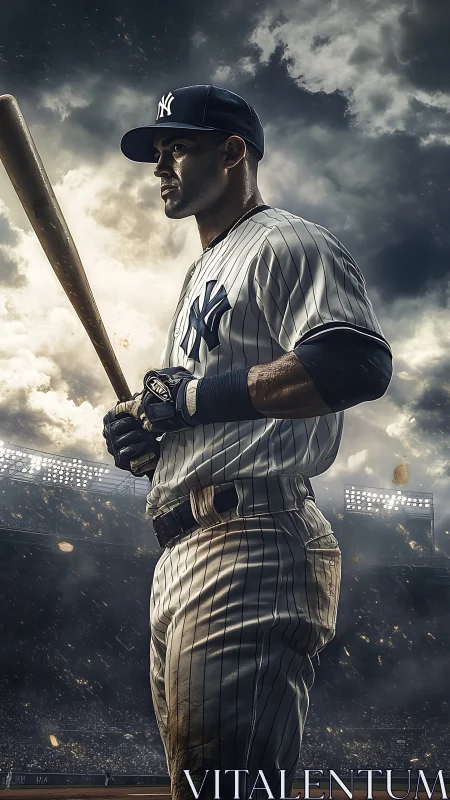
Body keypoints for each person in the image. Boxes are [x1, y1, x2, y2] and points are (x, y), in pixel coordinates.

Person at [103, 84, 393, 800]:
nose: (160, 166)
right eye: (157, 152)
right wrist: (150, 444)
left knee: (222, 788)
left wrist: (190, 399)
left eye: (179, 147)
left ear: (232, 153)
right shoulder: (203, 271)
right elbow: (217, 419)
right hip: (184, 548)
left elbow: (354, 361)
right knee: (200, 781)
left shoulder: (287, 241)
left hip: (252, 536)